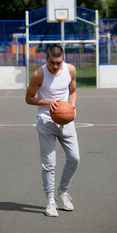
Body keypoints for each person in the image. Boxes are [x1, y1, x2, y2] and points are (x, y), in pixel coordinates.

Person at [25, 45, 80, 217]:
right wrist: (49, 102)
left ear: (63, 59)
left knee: (74, 158)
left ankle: (61, 192)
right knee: (49, 164)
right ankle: (50, 201)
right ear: (46, 59)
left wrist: (72, 106)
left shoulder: (70, 69)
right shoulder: (38, 74)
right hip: (46, 120)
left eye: (58, 63)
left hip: (65, 119)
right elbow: (28, 99)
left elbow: (73, 92)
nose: (55, 67)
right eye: (51, 63)